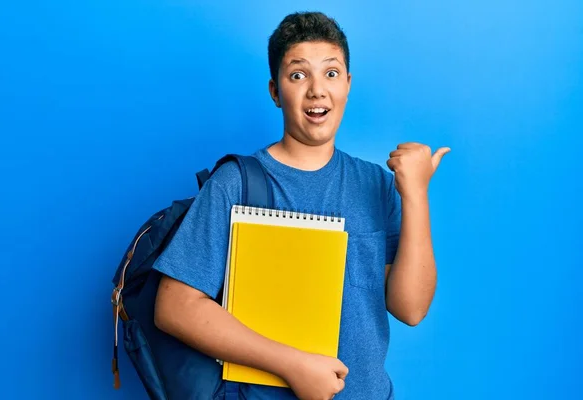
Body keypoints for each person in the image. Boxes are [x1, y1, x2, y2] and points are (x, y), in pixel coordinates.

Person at [152, 11, 449, 400]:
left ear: (347, 84)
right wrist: (291, 364)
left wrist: (416, 195)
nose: (317, 90)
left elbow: (410, 309)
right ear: (275, 91)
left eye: (330, 73)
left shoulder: (376, 183)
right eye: (298, 75)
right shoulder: (235, 184)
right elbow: (174, 307)